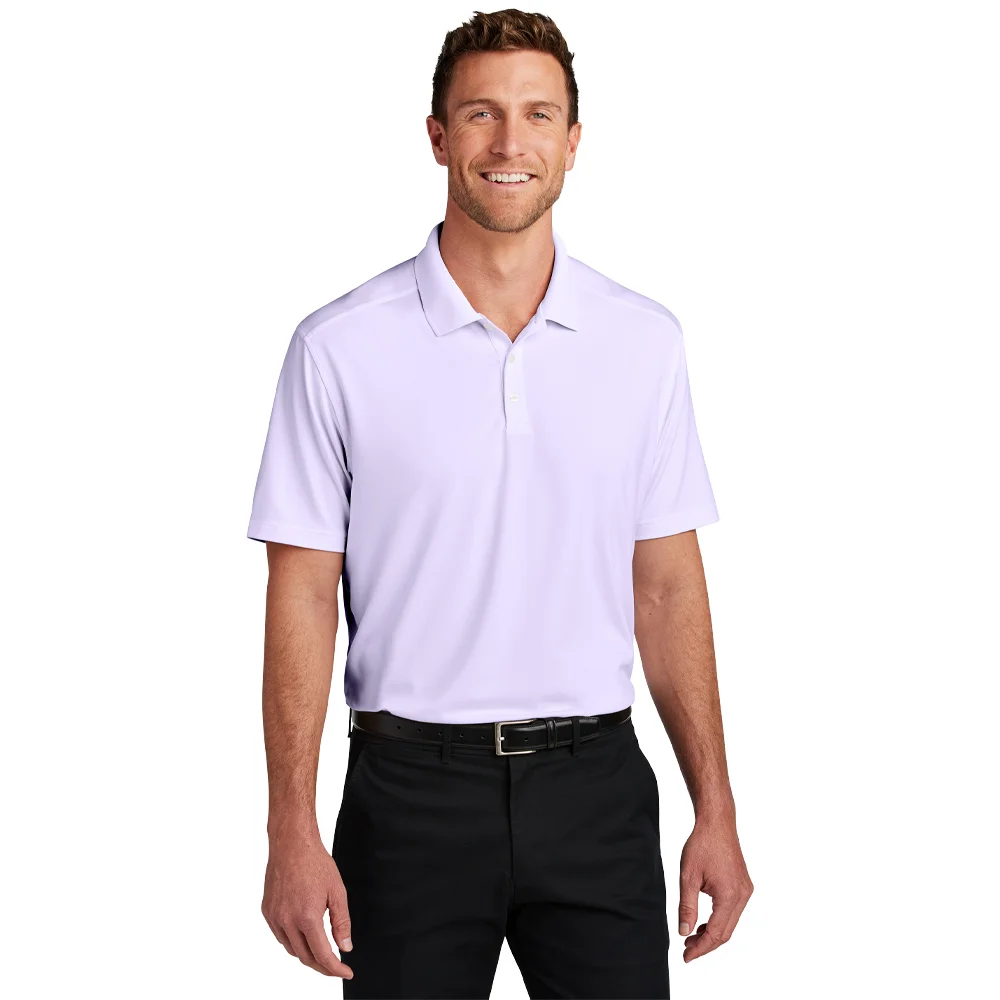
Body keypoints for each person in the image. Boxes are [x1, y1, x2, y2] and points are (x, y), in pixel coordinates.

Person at [246, 8, 752, 998]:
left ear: (574, 141)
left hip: (597, 787)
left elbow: (665, 587)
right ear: (438, 136)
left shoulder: (644, 342)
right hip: (407, 798)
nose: (509, 142)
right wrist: (289, 828)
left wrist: (718, 807)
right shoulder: (338, 347)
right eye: (481, 114)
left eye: (537, 115)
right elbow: (300, 593)